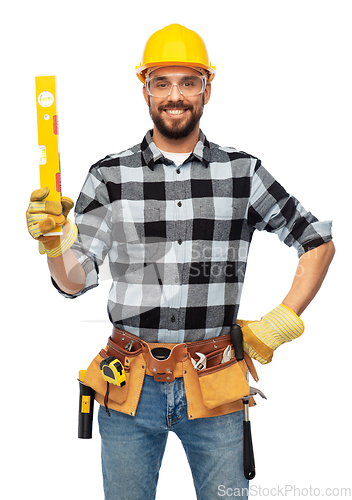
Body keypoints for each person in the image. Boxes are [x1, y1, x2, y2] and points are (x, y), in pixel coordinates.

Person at [27, 24, 335, 500]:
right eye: (162, 83)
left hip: (215, 384)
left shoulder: (242, 172)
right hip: (127, 386)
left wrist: (281, 321)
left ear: (207, 89)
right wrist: (53, 243)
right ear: (145, 88)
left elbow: (316, 240)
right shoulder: (109, 176)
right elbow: (73, 282)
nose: (175, 96)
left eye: (188, 82)